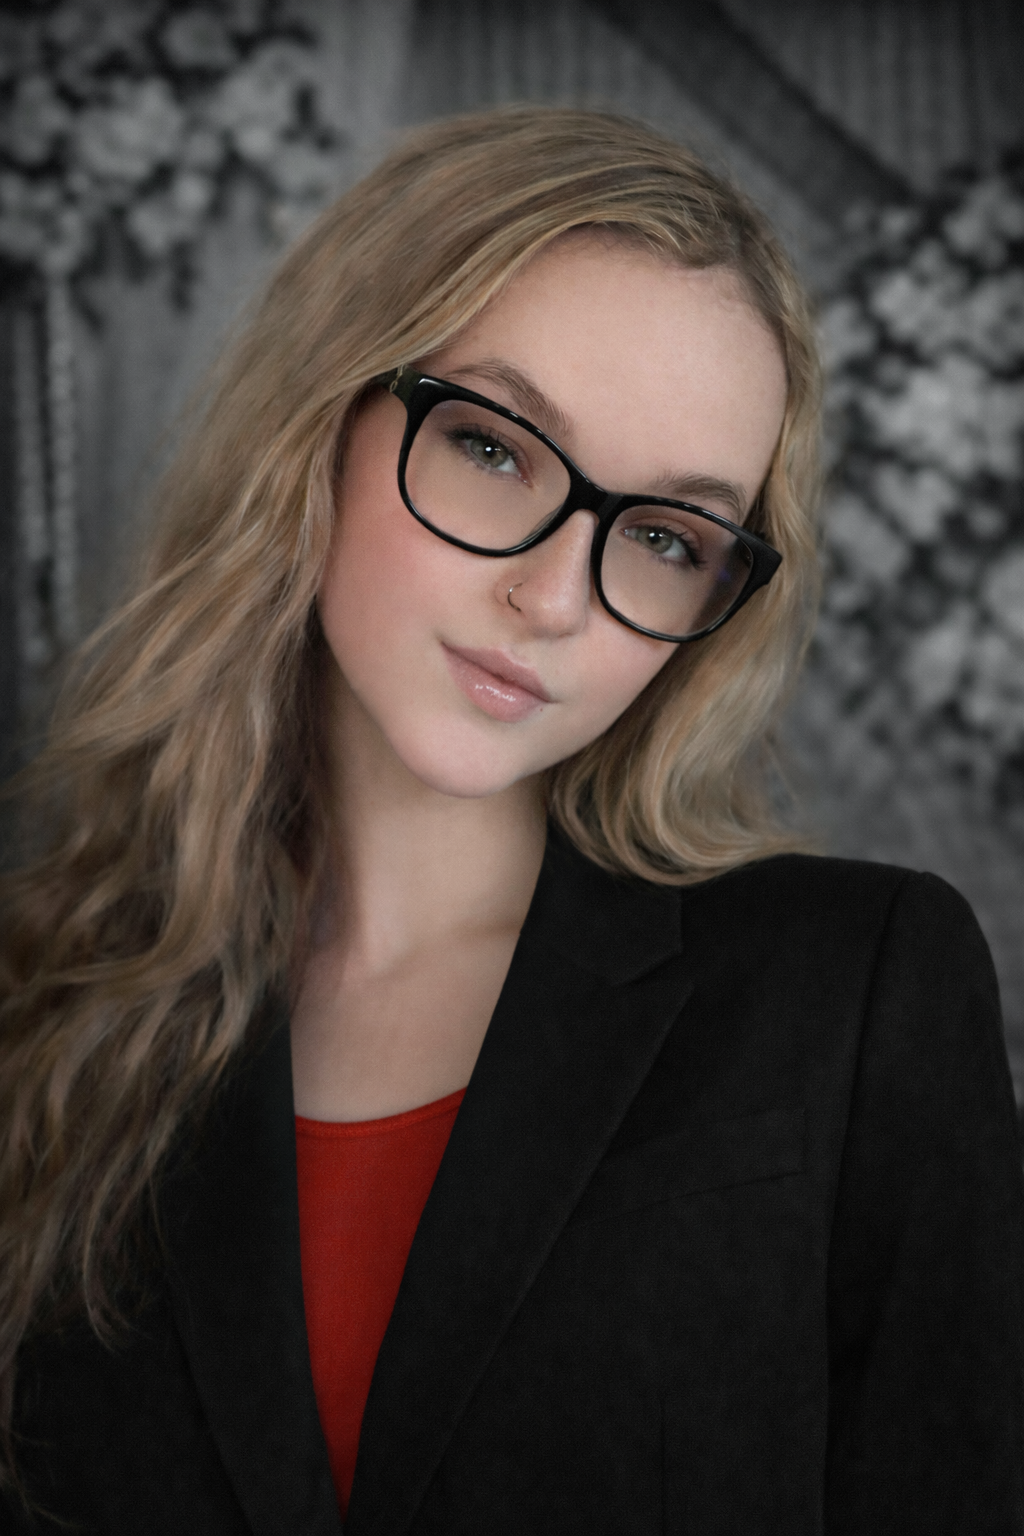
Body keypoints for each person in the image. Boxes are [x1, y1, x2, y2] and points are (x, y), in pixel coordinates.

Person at [0, 106, 1021, 1536]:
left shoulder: (852, 990)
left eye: (667, 539)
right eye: (495, 448)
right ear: (324, 421)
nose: (553, 596)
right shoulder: (47, 1018)